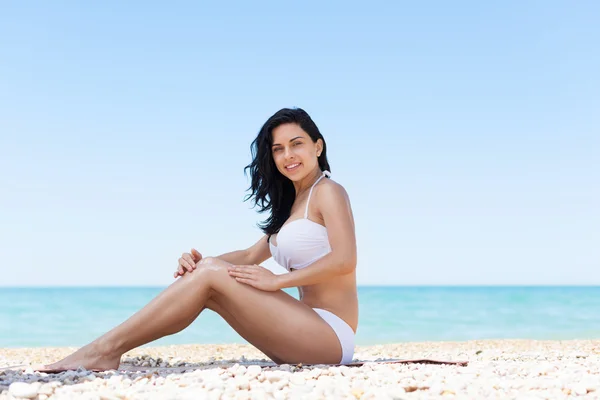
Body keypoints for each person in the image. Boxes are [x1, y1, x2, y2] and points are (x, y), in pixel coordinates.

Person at [41, 107, 358, 371]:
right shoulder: (293, 206)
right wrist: (202, 264)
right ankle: (107, 350)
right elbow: (249, 257)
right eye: (278, 149)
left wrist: (276, 283)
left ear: (318, 146)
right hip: (304, 330)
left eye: (296, 144)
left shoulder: (329, 192)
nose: (288, 155)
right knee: (206, 281)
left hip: (330, 336)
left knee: (209, 274)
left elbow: (345, 259)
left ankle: (103, 351)